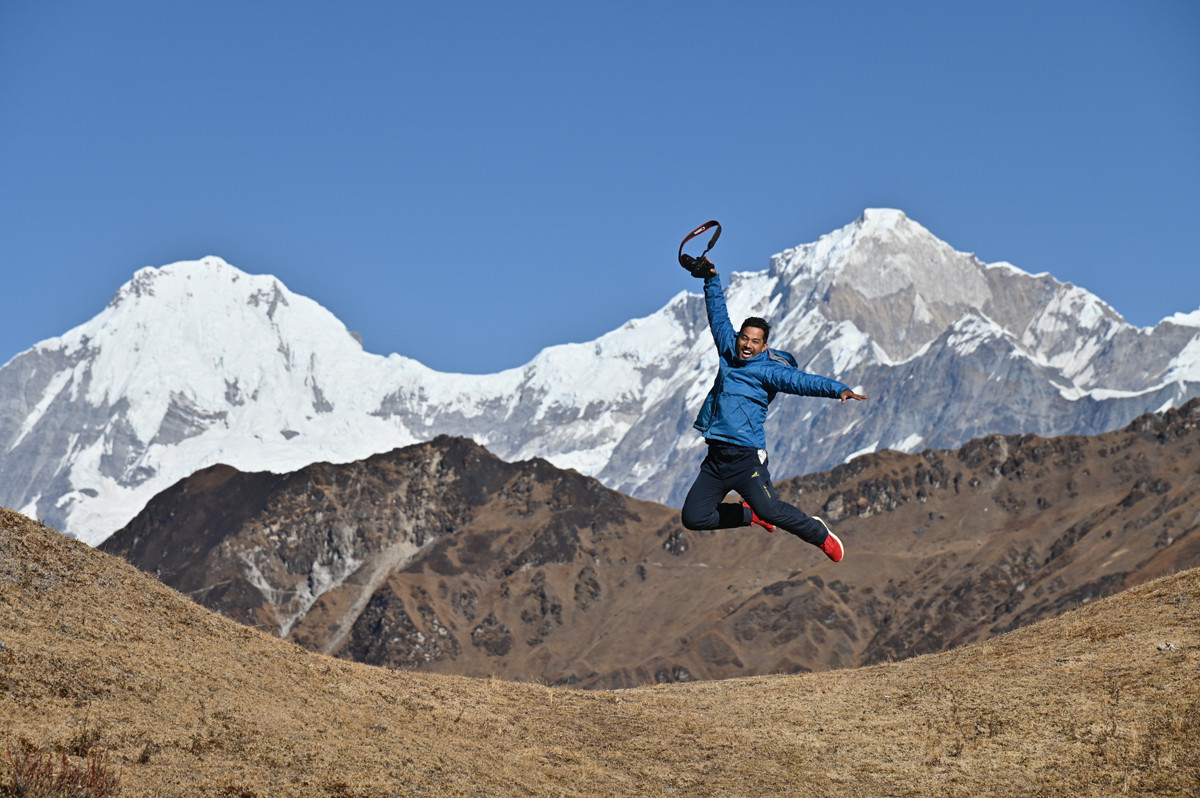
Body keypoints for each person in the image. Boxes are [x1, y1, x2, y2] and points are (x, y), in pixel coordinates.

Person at [679, 255, 867, 562]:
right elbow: (718, 314)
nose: (747, 345)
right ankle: (748, 515)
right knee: (694, 517)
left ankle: (819, 534)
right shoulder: (728, 351)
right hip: (716, 460)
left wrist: (838, 390)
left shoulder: (769, 371)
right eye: (744, 338)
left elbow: (803, 382)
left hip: (746, 458)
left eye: (755, 341)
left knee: (771, 508)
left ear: (764, 347)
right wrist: (711, 277)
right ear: (738, 338)